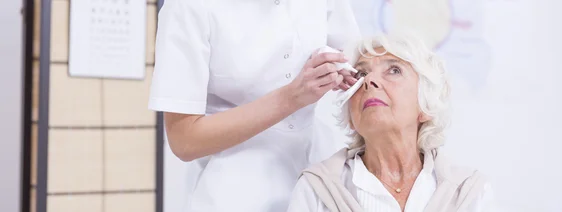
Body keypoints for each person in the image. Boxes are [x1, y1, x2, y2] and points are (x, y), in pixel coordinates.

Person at [148, 0, 361, 211]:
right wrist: (289, 98)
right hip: (235, 193)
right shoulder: (188, 7)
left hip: (319, 181)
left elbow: (355, 57)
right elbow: (184, 140)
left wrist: (339, 66)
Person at [287, 33, 494, 212]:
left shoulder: (468, 192)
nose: (369, 81)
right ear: (351, 118)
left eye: (394, 70)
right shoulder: (315, 190)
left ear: (425, 106)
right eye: (361, 74)